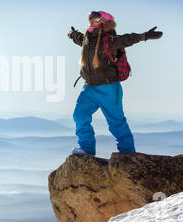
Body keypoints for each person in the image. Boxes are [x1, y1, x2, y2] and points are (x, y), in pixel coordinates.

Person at [67, 11, 163, 156]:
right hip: (89, 88)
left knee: (116, 122)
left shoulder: (110, 40)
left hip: (108, 89)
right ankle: (87, 149)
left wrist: (144, 36)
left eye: (96, 18)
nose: (92, 20)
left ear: (105, 22)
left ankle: (128, 155)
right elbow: (78, 38)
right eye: (90, 17)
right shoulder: (87, 39)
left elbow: (127, 39)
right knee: (79, 115)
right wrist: (72, 33)